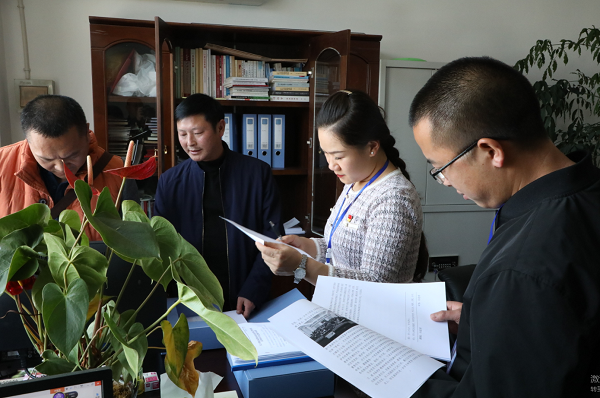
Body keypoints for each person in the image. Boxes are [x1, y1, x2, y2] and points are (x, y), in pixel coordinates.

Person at [408, 56, 600, 398]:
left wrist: (402, 379)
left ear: (490, 151)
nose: (446, 181)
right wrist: (488, 319)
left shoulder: (522, 269)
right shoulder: (587, 190)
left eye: (441, 168)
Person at [256, 90, 428, 286]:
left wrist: (301, 265)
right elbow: (343, 250)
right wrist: (307, 246)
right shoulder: (356, 180)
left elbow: (375, 284)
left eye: (338, 156)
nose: (331, 165)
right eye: (325, 153)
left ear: (372, 147)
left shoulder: (394, 199)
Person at [153, 93, 282, 318]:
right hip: (190, 301)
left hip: (246, 296)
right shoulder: (170, 182)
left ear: (221, 128)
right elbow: (162, 246)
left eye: (198, 133)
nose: (189, 142)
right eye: (182, 134)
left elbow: (272, 237)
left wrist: (254, 288)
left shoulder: (257, 173)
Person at [0, 94, 136, 241]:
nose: (61, 168)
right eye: (47, 159)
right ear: (28, 141)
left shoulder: (120, 172)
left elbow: (132, 242)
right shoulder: (3, 164)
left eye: (72, 155)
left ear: (86, 133)